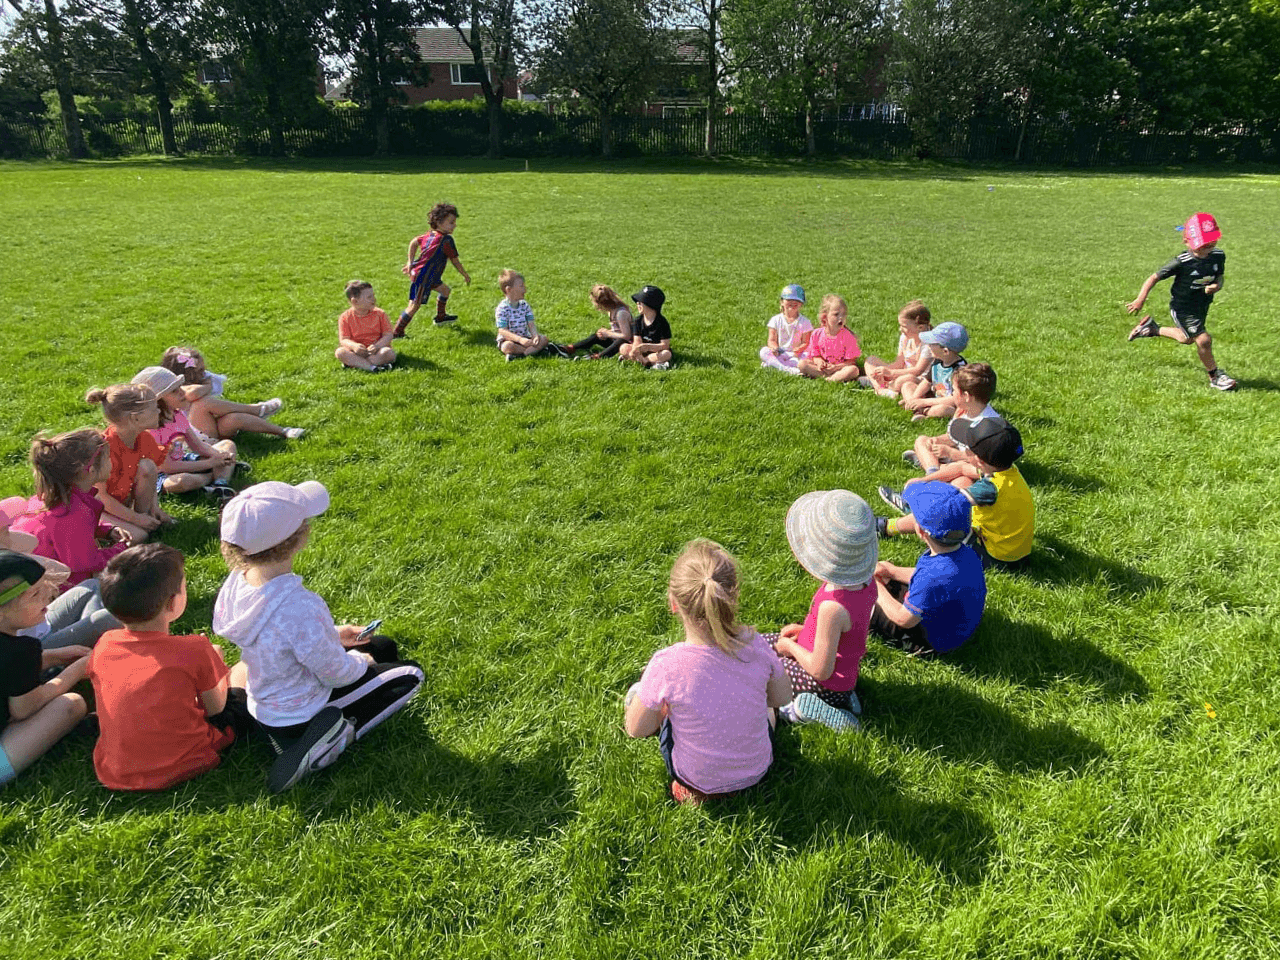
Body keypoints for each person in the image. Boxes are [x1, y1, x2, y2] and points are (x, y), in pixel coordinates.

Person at [212, 481, 424, 793]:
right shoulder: (298, 605)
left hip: (268, 700)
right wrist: (358, 661)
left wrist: (334, 634)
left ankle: (280, 733)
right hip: (302, 708)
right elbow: (335, 673)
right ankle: (326, 737)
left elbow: (280, 637)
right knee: (410, 673)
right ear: (299, 539)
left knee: (383, 645)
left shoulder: (236, 585)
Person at [624, 539, 793, 805]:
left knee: (661, 713)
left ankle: (694, 790)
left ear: (673, 603)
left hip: (696, 777)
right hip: (757, 772)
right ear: (733, 596)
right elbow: (782, 697)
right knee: (767, 711)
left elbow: (636, 729)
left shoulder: (666, 665)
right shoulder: (756, 644)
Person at [89, 544, 251, 791]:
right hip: (186, 762)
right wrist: (221, 671)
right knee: (244, 666)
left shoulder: (104, 646)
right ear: (172, 603)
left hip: (116, 772)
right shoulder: (195, 648)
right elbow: (216, 708)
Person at [763, 489, 878, 733]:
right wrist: (805, 631)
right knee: (760, 643)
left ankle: (798, 708)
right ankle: (845, 697)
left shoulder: (833, 606)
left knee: (762, 669)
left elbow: (820, 670)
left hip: (823, 684)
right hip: (843, 673)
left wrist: (790, 648)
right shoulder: (867, 583)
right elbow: (846, 633)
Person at [880, 418, 1033, 571]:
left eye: (966, 447)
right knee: (962, 480)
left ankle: (886, 527)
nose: (962, 450)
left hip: (994, 559)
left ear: (978, 459)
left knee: (941, 515)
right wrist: (923, 481)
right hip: (1013, 552)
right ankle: (915, 510)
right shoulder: (1006, 471)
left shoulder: (990, 488)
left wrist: (918, 492)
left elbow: (943, 509)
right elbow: (961, 467)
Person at [0, 549, 91, 788]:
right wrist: (74, 672)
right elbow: (23, 709)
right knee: (71, 704)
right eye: (35, 595)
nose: (50, 596)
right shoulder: (20, 650)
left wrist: (52, 656)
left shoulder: (15, 650)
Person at [869, 481, 986, 656]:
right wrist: (891, 570)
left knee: (862, 601)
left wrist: (875, 587)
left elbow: (904, 619)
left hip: (930, 640)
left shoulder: (932, 577)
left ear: (921, 531)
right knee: (886, 578)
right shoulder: (966, 554)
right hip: (955, 625)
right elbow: (926, 578)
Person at [8, 429, 131, 590]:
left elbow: (71, 534)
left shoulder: (52, 495)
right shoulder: (73, 513)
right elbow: (84, 562)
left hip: (32, 578)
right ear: (91, 470)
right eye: (108, 457)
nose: (112, 461)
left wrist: (106, 531)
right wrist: (120, 550)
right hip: (51, 590)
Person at [1126, 212, 1236, 391]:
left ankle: (1152, 329)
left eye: (1211, 243)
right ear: (1187, 242)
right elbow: (1154, 277)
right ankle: (1215, 376)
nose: (1207, 248)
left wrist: (1217, 285)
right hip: (1183, 307)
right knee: (1204, 340)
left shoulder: (1218, 256)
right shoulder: (1181, 262)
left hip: (1202, 305)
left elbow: (1220, 277)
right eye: (1202, 245)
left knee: (1186, 339)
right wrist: (1140, 299)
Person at [2, 498, 118, 650]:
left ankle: (87, 646)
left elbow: (35, 546)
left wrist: (6, 546)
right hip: (32, 649)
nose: (46, 594)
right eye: (4, 530)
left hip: (38, 625)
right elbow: (61, 572)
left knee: (92, 586)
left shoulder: (5, 563)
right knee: (105, 619)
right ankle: (87, 648)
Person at [132, 366, 241, 504]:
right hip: (160, 474)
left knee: (227, 445)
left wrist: (217, 455)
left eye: (180, 387)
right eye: (174, 391)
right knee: (183, 481)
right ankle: (214, 474)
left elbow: (197, 445)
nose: (182, 392)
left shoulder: (177, 416)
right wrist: (209, 463)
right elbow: (168, 467)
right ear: (158, 401)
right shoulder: (150, 429)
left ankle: (220, 484)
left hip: (182, 459)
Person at [85, 384, 172, 543]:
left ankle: (147, 518)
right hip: (95, 509)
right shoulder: (104, 449)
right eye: (154, 408)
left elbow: (151, 476)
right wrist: (134, 519)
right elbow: (100, 497)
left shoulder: (144, 438)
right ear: (135, 418)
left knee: (148, 466)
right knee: (138, 536)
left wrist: (154, 508)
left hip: (119, 502)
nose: (159, 411)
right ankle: (102, 539)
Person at [160, 346, 303, 441]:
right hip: (190, 440)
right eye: (198, 371)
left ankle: (283, 431)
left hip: (210, 432)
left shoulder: (203, 379)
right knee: (202, 403)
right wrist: (208, 386)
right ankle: (255, 409)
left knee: (233, 418)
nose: (203, 373)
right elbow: (192, 394)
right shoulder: (173, 388)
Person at [902, 362, 999, 473]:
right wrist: (938, 440)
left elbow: (982, 461)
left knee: (962, 478)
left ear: (966, 396)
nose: (952, 394)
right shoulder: (964, 410)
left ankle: (930, 465)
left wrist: (951, 453)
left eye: (954, 391)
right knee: (922, 441)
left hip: (972, 464)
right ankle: (933, 470)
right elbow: (954, 437)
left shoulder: (988, 426)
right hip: (957, 455)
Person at [395, 201, 472, 337]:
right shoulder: (446, 240)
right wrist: (465, 274)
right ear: (439, 222)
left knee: (445, 291)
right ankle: (396, 332)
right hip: (423, 277)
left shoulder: (429, 235)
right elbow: (455, 261)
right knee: (414, 305)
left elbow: (414, 242)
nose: (455, 225)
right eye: (451, 222)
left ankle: (441, 318)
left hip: (430, 276)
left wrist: (410, 262)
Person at [494, 269, 570, 361]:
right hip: (510, 340)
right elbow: (503, 331)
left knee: (544, 339)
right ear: (509, 290)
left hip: (526, 338)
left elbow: (531, 323)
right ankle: (537, 351)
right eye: (521, 286)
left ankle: (521, 355)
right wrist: (520, 340)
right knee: (507, 347)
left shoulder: (524, 305)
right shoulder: (502, 308)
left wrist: (534, 336)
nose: (525, 289)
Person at [900, 321, 968, 420]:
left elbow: (955, 400)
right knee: (907, 385)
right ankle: (915, 407)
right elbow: (927, 382)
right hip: (934, 397)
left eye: (931, 344)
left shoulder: (960, 370)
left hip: (947, 403)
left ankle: (922, 411)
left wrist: (924, 402)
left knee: (943, 410)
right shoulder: (937, 361)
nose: (928, 346)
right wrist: (915, 398)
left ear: (945, 351)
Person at [865, 300, 933, 398]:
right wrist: (884, 371)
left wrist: (891, 373)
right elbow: (899, 363)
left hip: (919, 379)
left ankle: (880, 384)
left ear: (920, 327)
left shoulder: (928, 345)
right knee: (870, 361)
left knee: (906, 379)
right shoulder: (905, 337)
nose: (900, 329)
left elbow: (918, 370)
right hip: (902, 372)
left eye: (903, 326)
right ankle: (881, 387)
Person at [797, 294, 862, 382]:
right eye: (836, 314)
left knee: (854, 370)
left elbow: (851, 362)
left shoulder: (847, 336)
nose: (841, 318)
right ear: (825, 317)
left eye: (843, 314)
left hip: (840, 369)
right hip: (822, 369)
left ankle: (830, 379)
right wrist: (819, 362)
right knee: (802, 364)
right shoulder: (816, 334)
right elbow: (815, 355)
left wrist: (836, 367)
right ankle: (830, 378)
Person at [336, 280, 397, 373]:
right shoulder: (345, 317)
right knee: (340, 352)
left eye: (373, 295)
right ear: (355, 301)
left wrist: (376, 346)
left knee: (388, 353)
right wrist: (354, 346)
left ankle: (358, 364)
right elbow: (344, 339)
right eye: (369, 297)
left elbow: (388, 335)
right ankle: (372, 367)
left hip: (377, 352)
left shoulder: (380, 314)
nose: (374, 299)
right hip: (357, 353)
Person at [759, 284, 813, 375]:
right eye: (789, 300)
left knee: (808, 356)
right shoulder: (775, 320)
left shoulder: (805, 322)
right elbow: (771, 340)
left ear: (801, 304)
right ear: (782, 302)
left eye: (797, 301)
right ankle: (786, 369)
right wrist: (774, 349)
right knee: (764, 351)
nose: (793, 303)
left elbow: (806, 342)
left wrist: (798, 350)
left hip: (796, 354)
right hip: (780, 353)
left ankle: (775, 365)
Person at [571, 285, 633, 359]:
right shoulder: (611, 311)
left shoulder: (621, 313)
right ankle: (571, 348)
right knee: (596, 336)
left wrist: (608, 333)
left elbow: (627, 336)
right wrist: (605, 333)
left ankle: (597, 357)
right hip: (616, 340)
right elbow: (618, 330)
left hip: (626, 344)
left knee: (619, 341)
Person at [619, 285, 673, 369]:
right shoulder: (637, 321)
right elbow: (637, 340)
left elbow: (665, 345)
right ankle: (647, 362)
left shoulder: (662, 322)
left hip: (656, 352)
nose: (637, 304)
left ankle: (642, 361)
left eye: (640, 303)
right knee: (623, 347)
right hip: (641, 352)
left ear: (651, 306)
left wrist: (647, 347)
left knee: (666, 354)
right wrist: (635, 350)